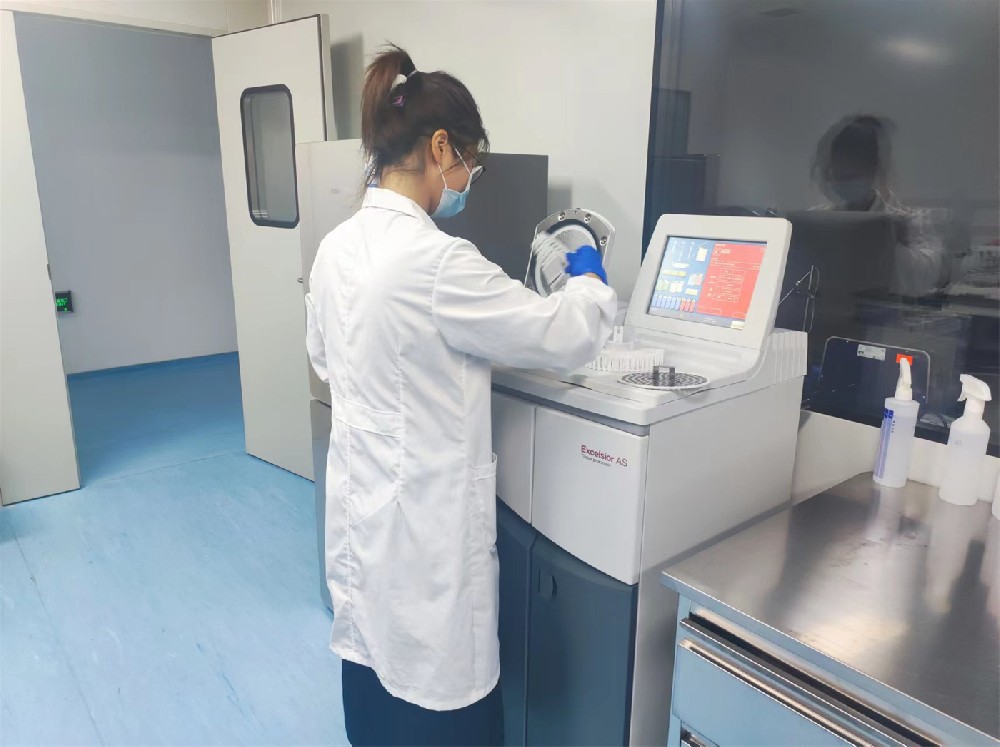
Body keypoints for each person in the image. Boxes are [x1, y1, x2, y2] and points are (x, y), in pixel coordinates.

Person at [304, 45, 616, 747]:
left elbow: (325, 358)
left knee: (373, 682)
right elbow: (567, 333)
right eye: (470, 161)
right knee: (440, 699)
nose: (469, 178)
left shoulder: (335, 249)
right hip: (427, 546)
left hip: (363, 521)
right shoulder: (438, 262)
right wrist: (589, 273)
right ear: (441, 147)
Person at [812, 114, 947, 297]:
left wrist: (888, 244)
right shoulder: (817, 220)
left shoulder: (908, 221)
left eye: (851, 176)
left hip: (883, 312)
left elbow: (927, 277)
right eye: (837, 176)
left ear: (872, 171)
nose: (843, 183)